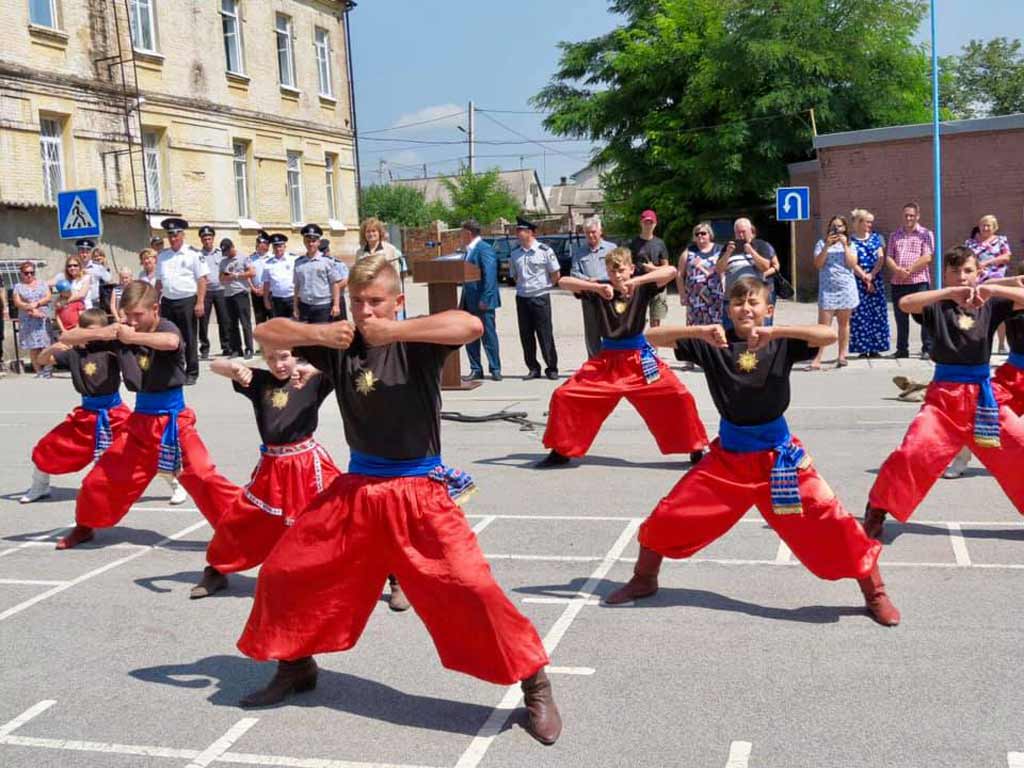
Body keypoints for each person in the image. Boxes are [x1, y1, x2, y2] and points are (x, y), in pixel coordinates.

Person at [233, 254, 562, 747]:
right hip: (358, 489)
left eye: (376, 303)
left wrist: (399, 331)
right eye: (358, 302)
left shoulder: (417, 342)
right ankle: (296, 664)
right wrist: (321, 336)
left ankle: (534, 682)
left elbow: (470, 324)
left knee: (472, 588)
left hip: (418, 491)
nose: (366, 312)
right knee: (286, 569)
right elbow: (268, 333)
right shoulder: (341, 344)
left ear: (396, 302)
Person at [605, 276, 899, 627]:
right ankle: (644, 579)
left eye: (753, 302)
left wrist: (775, 333)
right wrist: (698, 332)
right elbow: (648, 338)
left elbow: (829, 335)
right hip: (728, 460)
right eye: (738, 302)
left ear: (767, 309)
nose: (745, 308)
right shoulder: (713, 343)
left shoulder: (781, 342)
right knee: (668, 516)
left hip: (780, 460)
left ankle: (874, 592)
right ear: (728, 309)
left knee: (833, 523)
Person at [55, 281, 234, 549]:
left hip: (173, 421)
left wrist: (132, 337)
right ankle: (85, 526)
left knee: (203, 475)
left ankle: (239, 529)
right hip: (139, 422)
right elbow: (66, 339)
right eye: (128, 314)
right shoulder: (121, 331)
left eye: (138, 315)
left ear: (154, 309)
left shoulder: (165, 327)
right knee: (101, 477)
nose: (132, 321)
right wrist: (108, 331)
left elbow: (171, 342)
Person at [864, 246, 1024, 540]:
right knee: (913, 453)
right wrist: (946, 293)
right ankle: (877, 508)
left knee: (1019, 449)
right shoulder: (936, 305)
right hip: (943, 399)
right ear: (946, 275)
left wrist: (991, 287)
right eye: (955, 272)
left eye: (968, 271)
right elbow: (905, 303)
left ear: (977, 273)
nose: (962, 277)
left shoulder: (990, 303)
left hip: (983, 400)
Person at [190, 348, 340, 599]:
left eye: (284, 357)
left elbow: (342, 364)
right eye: (271, 358)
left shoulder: (312, 379)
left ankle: (391, 575)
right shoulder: (259, 381)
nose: (279, 364)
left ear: (296, 356)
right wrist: (236, 369)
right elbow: (215, 365)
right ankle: (217, 569)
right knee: (241, 518)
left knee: (345, 514)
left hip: (307, 464)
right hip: (272, 466)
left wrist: (315, 368)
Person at [537, 247, 708, 468]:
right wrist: (596, 287)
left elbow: (672, 270)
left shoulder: (642, 286)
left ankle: (695, 447)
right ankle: (561, 450)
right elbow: (563, 282)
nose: (617, 276)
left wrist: (636, 282)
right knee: (565, 395)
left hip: (639, 359)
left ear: (631, 269)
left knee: (678, 395)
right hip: (607, 361)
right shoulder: (599, 288)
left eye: (621, 270)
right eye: (611, 271)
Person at [19, 308, 131, 503]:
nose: (93, 337)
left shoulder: (112, 349)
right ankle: (40, 486)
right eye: (88, 331)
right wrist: (53, 347)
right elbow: (42, 360)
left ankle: (175, 483)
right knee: (47, 447)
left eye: (97, 331)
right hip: (86, 415)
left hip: (115, 413)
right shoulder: (74, 353)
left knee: (148, 446)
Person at [155, 217, 208, 385]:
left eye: (176, 234)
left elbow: (202, 279)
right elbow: (158, 282)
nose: (173, 238)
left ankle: (191, 372)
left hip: (187, 300)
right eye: (170, 235)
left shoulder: (193, 254)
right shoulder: (163, 256)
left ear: (182, 235)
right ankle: (173, 370)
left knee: (189, 338)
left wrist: (200, 302)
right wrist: (155, 303)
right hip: (168, 301)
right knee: (169, 337)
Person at [510, 217, 560, 380]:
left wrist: (543, 287)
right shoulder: (515, 253)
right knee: (526, 335)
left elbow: (555, 274)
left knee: (545, 334)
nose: (518, 233)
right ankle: (533, 367)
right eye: (517, 230)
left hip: (540, 297)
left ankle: (551, 367)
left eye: (521, 230)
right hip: (522, 298)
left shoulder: (545, 251)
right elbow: (515, 276)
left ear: (530, 232)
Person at [807, 216, 859, 370]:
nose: (837, 229)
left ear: (845, 228)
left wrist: (844, 246)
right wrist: (827, 247)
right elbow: (818, 264)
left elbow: (852, 264)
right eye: (834, 226)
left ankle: (842, 355)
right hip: (827, 290)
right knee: (823, 326)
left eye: (840, 226)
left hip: (845, 288)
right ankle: (817, 358)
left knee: (844, 324)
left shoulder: (851, 244)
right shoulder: (822, 243)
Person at [886, 202, 934, 359]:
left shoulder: (925, 234)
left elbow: (927, 257)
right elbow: (889, 257)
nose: (909, 218)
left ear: (918, 216)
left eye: (912, 215)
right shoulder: (895, 235)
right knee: (901, 317)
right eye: (906, 215)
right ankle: (902, 349)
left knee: (924, 316)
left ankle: (927, 348)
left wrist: (909, 270)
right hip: (899, 282)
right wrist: (897, 270)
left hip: (919, 281)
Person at [459, 218, 502, 381]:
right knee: (470, 335)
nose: (460, 237)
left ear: (468, 233)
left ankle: (495, 368)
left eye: (462, 233)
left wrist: (485, 298)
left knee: (488, 335)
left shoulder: (484, 249)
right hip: (468, 301)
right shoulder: (468, 250)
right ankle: (476, 368)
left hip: (482, 301)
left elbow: (490, 275)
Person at [717, 218, 778, 328]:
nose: (740, 235)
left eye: (743, 232)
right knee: (731, 331)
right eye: (738, 232)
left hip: (754, 297)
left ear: (751, 231)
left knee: (758, 330)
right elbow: (719, 269)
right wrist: (728, 253)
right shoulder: (728, 247)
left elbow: (765, 267)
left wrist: (751, 251)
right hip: (732, 297)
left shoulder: (760, 245)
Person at [966, 214, 1013, 354]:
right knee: (974, 312)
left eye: (988, 226)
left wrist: (987, 262)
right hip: (976, 283)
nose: (985, 228)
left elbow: (1006, 257)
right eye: (983, 225)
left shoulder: (1001, 240)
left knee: (999, 312)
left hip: (996, 282)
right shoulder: (970, 243)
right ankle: (972, 343)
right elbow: (965, 259)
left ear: (994, 228)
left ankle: (1001, 345)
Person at [570, 217, 615, 358]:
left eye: (593, 232)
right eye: (587, 232)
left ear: (600, 231)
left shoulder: (612, 248)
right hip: (589, 297)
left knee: (611, 329)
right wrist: (589, 282)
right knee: (592, 332)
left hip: (609, 296)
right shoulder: (579, 252)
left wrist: (599, 280)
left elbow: (618, 269)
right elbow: (574, 273)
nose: (591, 235)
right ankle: (595, 362)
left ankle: (612, 361)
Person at [849, 209, 890, 358]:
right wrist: (864, 277)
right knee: (860, 314)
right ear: (859, 222)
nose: (871, 225)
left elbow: (881, 258)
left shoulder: (877, 238)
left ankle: (875, 348)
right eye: (868, 222)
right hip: (858, 281)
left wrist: (871, 276)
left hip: (875, 280)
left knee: (877, 313)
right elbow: (851, 263)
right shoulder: (850, 241)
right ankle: (862, 348)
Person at [293, 223, 346, 323]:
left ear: (319, 242)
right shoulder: (298, 263)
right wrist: (295, 307)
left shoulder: (327, 261)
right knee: (306, 337)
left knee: (322, 336)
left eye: (314, 241)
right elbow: (297, 286)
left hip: (323, 307)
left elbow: (335, 284)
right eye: (308, 241)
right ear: (304, 241)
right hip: (304, 306)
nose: (311, 244)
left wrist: (336, 305)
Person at [677, 221, 725, 329]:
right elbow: (680, 274)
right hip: (694, 298)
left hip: (716, 297)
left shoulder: (720, 250)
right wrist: (682, 295)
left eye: (703, 233)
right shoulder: (688, 251)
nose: (700, 236)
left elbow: (724, 270)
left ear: (710, 235)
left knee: (716, 327)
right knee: (695, 328)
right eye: (697, 234)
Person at [630, 210, 671, 328]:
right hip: (639, 286)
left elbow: (666, 268)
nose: (648, 225)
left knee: (656, 321)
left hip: (658, 287)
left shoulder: (660, 243)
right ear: (641, 223)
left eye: (650, 222)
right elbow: (628, 266)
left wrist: (653, 269)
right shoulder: (633, 243)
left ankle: (654, 346)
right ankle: (638, 345)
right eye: (645, 222)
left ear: (655, 224)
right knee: (637, 319)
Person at [197, 226, 231, 360]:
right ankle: (204, 348)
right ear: (201, 240)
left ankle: (226, 346)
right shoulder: (198, 255)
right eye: (204, 238)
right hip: (205, 291)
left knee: (224, 319)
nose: (207, 241)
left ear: (213, 239)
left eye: (209, 238)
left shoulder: (220, 253)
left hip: (221, 289)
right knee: (203, 321)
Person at [12, 260, 52, 377]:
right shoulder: (18, 287)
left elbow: (48, 296)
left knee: (46, 345)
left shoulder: (42, 283)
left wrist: (37, 304)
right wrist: (29, 308)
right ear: (21, 274)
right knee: (34, 347)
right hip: (28, 319)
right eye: (26, 273)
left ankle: (48, 370)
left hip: (42, 317)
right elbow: (17, 302)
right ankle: (38, 371)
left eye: (31, 272)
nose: (29, 275)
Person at [219, 238, 255, 359]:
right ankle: (236, 349)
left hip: (241, 293)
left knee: (245, 323)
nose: (226, 254)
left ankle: (249, 348)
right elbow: (221, 278)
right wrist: (226, 277)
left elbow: (252, 272)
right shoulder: (223, 262)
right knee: (232, 324)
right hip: (228, 294)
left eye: (227, 251)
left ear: (232, 248)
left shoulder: (243, 257)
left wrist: (237, 275)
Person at [262, 234, 296, 319]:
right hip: (277, 300)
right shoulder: (267, 263)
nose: (278, 249)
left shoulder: (293, 259)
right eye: (275, 247)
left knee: (295, 324)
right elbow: (266, 283)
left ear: (285, 246)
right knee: (280, 326)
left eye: (280, 246)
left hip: (292, 298)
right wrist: (266, 299)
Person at [250, 231, 271, 327]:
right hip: (256, 293)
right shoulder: (251, 258)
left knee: (272, 321)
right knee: (260, 321)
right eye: (259, 243)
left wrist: (264, 288)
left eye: (265, 243)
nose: (261, 245)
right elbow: (248, 276)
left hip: (270, 292)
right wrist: (253, 289)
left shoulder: (272, 258)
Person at [89, 247, 115, 314]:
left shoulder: (107, 269)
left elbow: (109, 281)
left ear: (104, 257)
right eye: (95, 256)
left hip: (105, 300)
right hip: (95, 300)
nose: (98, 258)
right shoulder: (91, 269)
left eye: (100, 256)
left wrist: (105, 267)